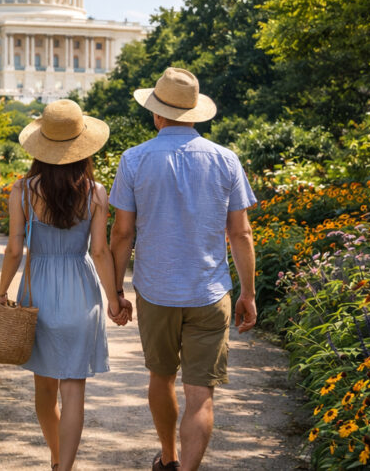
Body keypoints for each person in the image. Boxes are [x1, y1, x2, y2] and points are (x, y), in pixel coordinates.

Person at [108, 68, 258, 471]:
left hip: (156, 290)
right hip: (210, 292)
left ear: (157, 115)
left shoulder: (134, 159)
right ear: (195, 115)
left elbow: (122, 234)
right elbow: (240, 233)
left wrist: (116, 291)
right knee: (201, 393)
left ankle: (169, 457)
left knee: (161, 377)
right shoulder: (226, 159)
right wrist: (248, 293)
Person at [0, 100, 129, 471]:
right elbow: (99, 251)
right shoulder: (96, 192)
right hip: (81, 294)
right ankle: (65, 466)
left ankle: (54, 456)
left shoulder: (22, 190)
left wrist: (2, 291)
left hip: (39, 294)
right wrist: (114, 297)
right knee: (74, 389)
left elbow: (15, 248)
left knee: (45, 389)